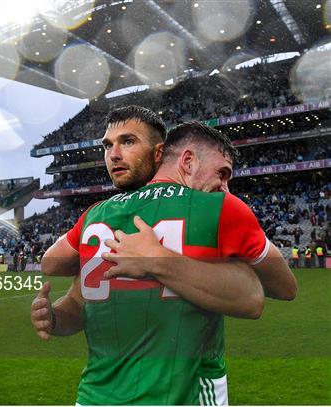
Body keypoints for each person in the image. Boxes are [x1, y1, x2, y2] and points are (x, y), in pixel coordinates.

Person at [33, 108, 296, 405]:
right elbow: (277, 291)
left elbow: (55, 269)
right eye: (221, 173)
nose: (224, 187)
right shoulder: (219, 207)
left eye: (127, 142)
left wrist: (55, 316)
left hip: (93, 397)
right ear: (187, 161)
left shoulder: (98, 215)